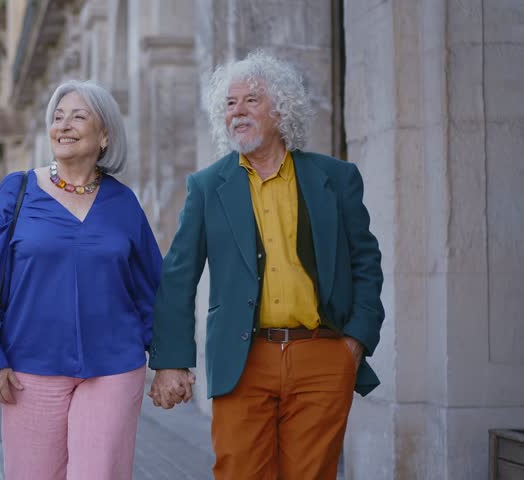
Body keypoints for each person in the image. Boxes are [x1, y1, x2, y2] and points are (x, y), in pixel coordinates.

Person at [147, 51, 384, 480]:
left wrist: (355, 342)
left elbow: (366, 260)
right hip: (243, 357)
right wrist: (171, 362)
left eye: (251, 100)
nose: (238, 111)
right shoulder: (206, 187)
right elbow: (178, 276)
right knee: (239, 471)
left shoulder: (335, 177)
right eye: (230, 104)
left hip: (322, 353)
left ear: (282, 109)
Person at [0, 80, 162, 480]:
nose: (63, 125)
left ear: (104, 135)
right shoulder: (17, 191)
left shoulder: (123, 202)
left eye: (78, 116)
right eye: (58, 117)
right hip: (28, 368)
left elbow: (151, 288)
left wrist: (171, 362)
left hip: (114, 366)